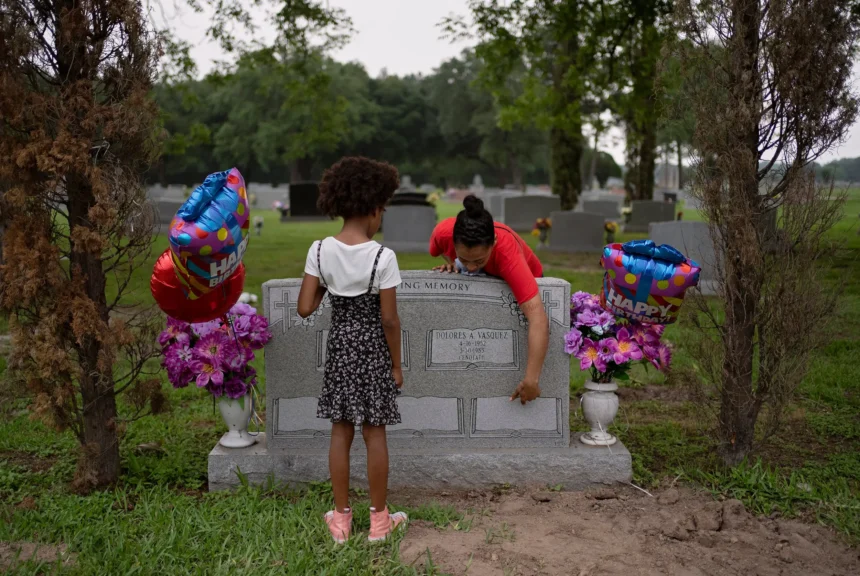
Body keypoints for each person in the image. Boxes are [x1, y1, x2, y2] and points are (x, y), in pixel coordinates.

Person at [297, 157, 407, 544]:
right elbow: (390, 320)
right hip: (373, 351)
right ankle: (379, 522)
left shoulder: (320, 250)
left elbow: (305, 307)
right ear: (375, 209)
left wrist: (331, 283)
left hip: (341, 349)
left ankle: (341, 521)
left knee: (340, 432)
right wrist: (396, 365)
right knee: (374, 434)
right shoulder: (383, 257)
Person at [430, 195, 548, 404]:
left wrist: (532, 380)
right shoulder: (443, 233)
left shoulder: (506, 254)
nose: (472, 267)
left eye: (479, 260)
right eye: (465, 259)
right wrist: (453, 263)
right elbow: (438, 250)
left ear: (493, 243)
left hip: (525, 283)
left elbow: (537, 318)